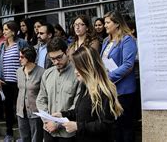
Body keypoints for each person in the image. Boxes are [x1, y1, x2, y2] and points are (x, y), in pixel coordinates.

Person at [55, 46, 123, 142]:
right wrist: (63, 114)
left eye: (78, 68)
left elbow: (106, 124)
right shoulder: (85, 86)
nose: (75, 72)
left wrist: (78, 126)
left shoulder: (103, 90)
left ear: (88, 67)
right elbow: (82, 112)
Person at [101, 11, 137, 142]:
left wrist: (108, 77)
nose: (105, 25)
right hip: (110, 90)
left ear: (117, 23)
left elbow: (128, 65)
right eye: (105, 22)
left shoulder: (127, 40)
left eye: (107, 22)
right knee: (115, 127)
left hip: (124, 91)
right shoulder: (106, 41)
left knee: (125, 126)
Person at [36, 37, 80, 142]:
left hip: (68, 133)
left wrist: (57, 123)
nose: (56, 62)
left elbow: (77, 105)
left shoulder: (78, 73)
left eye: (59, 57)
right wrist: (48, 121)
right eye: (52, 59)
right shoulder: (47, 73)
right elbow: (41, 100)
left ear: (67, 52)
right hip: (48, 130)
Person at [0, 20, 30, 142]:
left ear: (13, 31)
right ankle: (9, 134)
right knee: (8, 109)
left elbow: (28, 59)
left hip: (19, 82)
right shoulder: (2, 46)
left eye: (6, 29)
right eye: (4, 29)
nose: (4, 32)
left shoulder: (21, 43)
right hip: (6, 82)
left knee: (21, 109)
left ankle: (24, 135)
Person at [16, 47, 45, 142]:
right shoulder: (19, 72)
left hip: (36, 112)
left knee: (36, 139)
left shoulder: (42, 72)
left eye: (22, 57)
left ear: (29, 57)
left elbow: (44, 94)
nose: (19, 59)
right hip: (21, 111)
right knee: (24, 138)